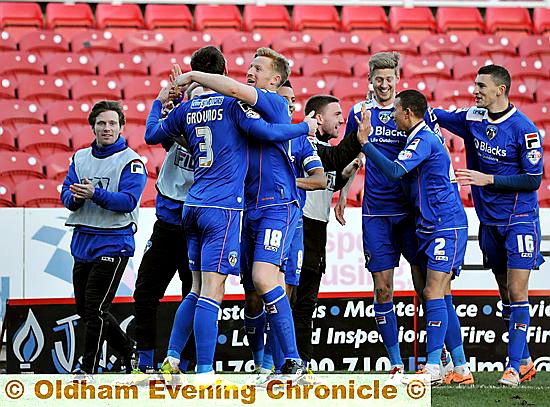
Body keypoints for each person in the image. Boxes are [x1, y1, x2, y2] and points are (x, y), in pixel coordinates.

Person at [145, 46, 316, 381]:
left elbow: (156, 134)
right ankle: (248, 366)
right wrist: (304, 128)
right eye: (249, 66)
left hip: (266, 205)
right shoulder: (232, 107)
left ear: (276, 79)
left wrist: (169, 97)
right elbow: (260, 129)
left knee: (252, 282)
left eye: (258, 67)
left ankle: (287, 362)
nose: (250, 71)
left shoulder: (272, 101)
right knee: (224, 289)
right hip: (234, 208)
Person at [336, 52, 449, 382]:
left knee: (425, 285)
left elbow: (435, 149)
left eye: (390, 78)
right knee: (382, 289)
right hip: (375, 214)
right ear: (369, 78)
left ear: (397, 78)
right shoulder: (360, 112)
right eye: (378, 78)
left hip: (412, 213)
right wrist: (343, 192)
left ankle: (437, 356)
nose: (384, 84)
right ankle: (397, 364)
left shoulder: (410, 113)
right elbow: (350, 154)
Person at [432, 65, 544, 386]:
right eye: (475, 84)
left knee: (518, 290)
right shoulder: (472, 119)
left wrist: (488, 179)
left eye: (481, 86)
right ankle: (524, 361)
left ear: (501, 90)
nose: (475, 90)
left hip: (520, 219)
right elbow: (436, 114)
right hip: (489, 222)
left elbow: (533, 178)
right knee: (505, 292)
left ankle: (511, 368)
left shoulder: (524, 129)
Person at [359, 90, 472, 385]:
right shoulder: (417, 137)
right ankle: (460, 367)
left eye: (396, 110)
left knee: (433, 291)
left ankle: (433, 366)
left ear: (408, 112)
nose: (392, 115)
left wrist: (366, 145)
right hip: (432, 224)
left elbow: (396, 170)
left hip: (445, 224)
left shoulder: (423, 139)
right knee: (441, 295)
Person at [61, 100, 147, 375]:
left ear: (122, 127)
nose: (107, 128)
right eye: (101, 123)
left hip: (114, 241)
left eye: (112, 123)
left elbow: (128, 201)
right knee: (86, 308)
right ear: (93, 127)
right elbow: (66, 193)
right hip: (83, 240)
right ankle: (127, 351)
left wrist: (94, 194)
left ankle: (87, 369)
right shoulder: (80, 157)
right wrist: (73, 197)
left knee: (95, 307)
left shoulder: (131, 161)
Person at [252, 80, 327, 383]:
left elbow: (320, 179)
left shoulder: (300, 140)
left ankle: (279, 364)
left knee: (284, 291)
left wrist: (285, 184)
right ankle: (263, 364)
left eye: (294, 100)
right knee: (255, 295)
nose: (291, 105)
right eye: (285, 100)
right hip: (256, 218)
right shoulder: (256, 133)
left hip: (291, 222)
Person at [131, 81, 202, 375]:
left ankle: (186, 365)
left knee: (196, 295)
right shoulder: (177, 126)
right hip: (167, 225)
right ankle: (145, 362)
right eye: (192, 100)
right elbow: (152, 133)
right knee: (145, 292)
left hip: (197, 226)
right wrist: (161, 102)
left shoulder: (223, 136)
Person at [292, 94, 366, 370]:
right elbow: (332, 158)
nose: (341, 119)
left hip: (316, 229)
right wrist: (358, 138)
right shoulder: (307, 142)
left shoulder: (320, 147)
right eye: (336, 114)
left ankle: (301, 360)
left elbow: (330, 178)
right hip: (301, 226)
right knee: (295, 301)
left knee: (306, 303)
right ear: (318, 118)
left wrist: (349, 171)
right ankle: (285, 360)